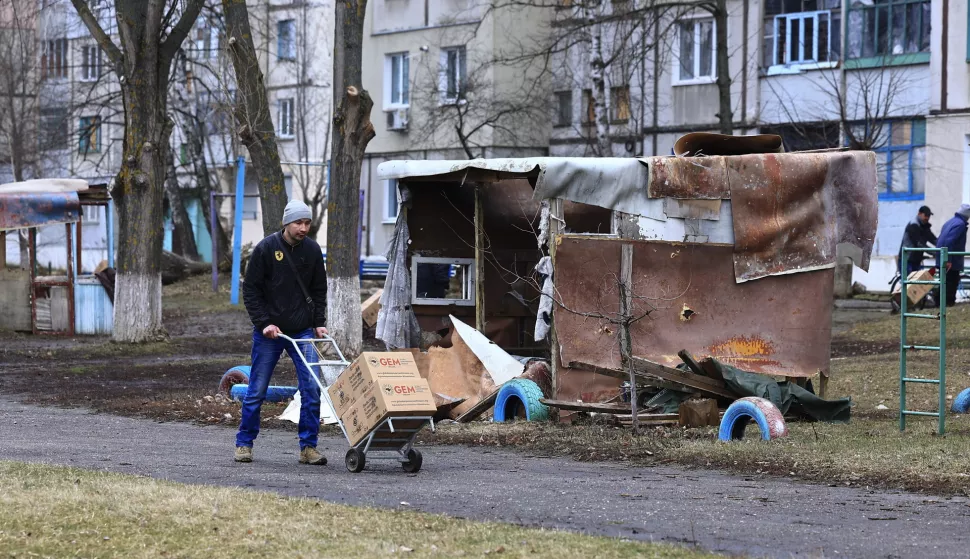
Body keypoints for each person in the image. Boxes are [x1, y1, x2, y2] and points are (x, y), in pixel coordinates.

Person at [235, 199, 329, 465]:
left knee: (311, 388)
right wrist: (264, 322)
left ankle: (308, 447)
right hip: (269, 333)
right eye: (298, 222)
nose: (303, 228)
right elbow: (251, 290)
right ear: (287, 223)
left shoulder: (311, 250)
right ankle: (244, 443)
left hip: (301, 331)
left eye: (307, 222)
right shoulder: (266, 249)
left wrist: (318, 321)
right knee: (257, 389)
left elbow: (318, 290)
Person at [935, 204, 970, 307]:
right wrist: (948, 260)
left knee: (943, 283)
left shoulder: (950, 222)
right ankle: (947, 305)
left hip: (941, 257)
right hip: (952, 261)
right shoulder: (960, 225)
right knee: (951, 284)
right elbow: (949, 241)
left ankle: (939, 304)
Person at [898, 205, 937, 275]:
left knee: (918, 284)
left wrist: (942, 246)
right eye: (926, 215)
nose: (927, 218)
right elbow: (920, 244)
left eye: (929, 216)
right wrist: (935, 252)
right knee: (909, 284)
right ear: (919, 214)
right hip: (907, 261)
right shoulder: (913, 225)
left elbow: (933, 239)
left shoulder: (924, 226)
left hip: (916, 261)